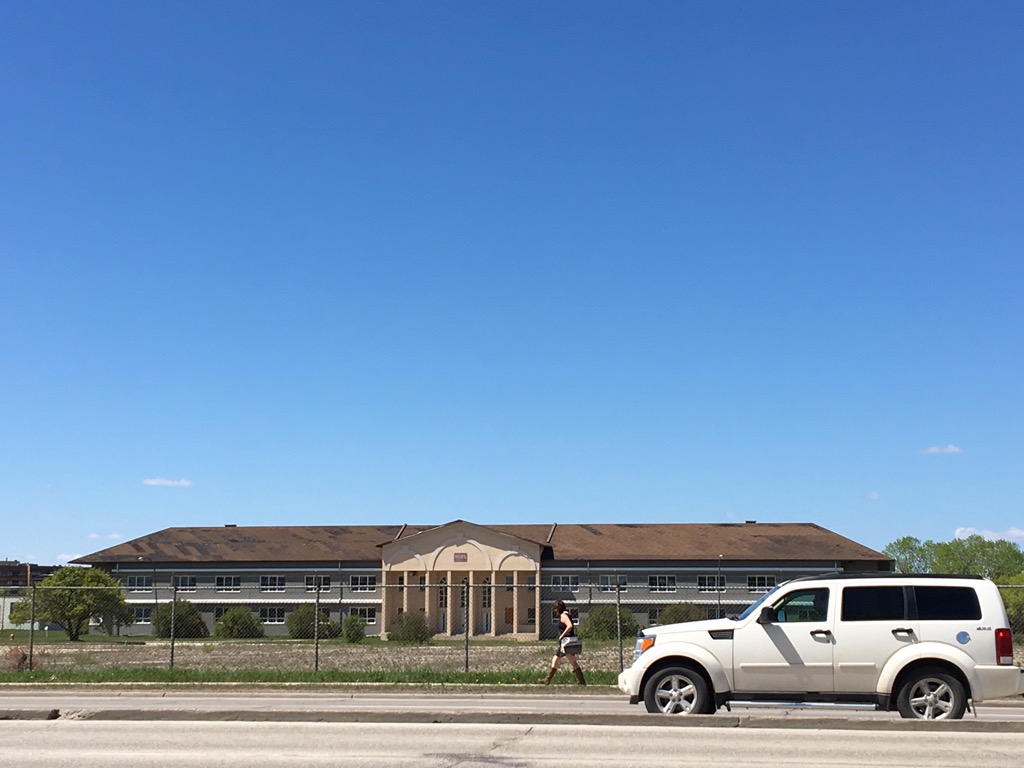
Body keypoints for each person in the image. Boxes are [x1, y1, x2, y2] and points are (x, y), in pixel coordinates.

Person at [539, 600, 586, 685]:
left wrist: (562, 635)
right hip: (567, 643)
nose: (554, 611)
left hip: (566, 643)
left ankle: (548, 680)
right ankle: (581, 681)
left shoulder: (563, 615)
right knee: (570, 662)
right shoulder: (566, 614)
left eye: (555, 609)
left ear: (559, 608)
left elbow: (570, 626)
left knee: (557, 660)